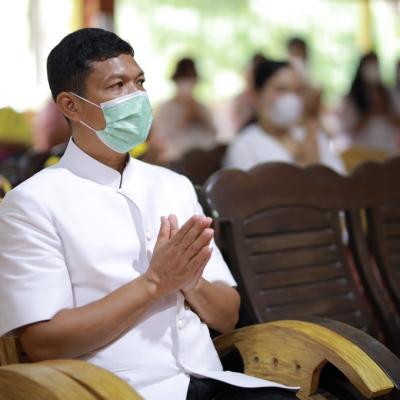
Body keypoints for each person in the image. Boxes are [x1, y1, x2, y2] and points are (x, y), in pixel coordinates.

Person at [0, 29, 297, 400]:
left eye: (139, 82)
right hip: (117, 390)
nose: (137, 97)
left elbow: (227, 316)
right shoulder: (33, 203)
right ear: (70, 105)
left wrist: (191, 283)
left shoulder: (173, 185)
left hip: (208, 376)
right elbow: (44, 343)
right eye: (117, 86)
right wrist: (155, 282)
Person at [223, 59, 345, 173]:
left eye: (297, 91)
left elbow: (339, 177)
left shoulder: (311, 135)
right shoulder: (244, 146)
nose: (291, 98)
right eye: (281, 89)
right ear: (257, 96)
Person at [151, 57, 216, 163]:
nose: (187, 84)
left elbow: (213, 134)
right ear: (176, 80)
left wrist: (200, 117)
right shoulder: (164, 109)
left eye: (191, 78)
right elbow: (163, 138)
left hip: (204, 161)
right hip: (176, 161)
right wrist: (185, 118)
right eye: (184, 79)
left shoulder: (202, 107)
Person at [338, 52, 400, 155]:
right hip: (360, 153)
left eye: (375, 65)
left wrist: (384, 111)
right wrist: (371, 112)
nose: (372, 69)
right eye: (369, 65)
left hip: (387, 152)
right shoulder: (352, 98)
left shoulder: (390, 95)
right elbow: (349, 129)